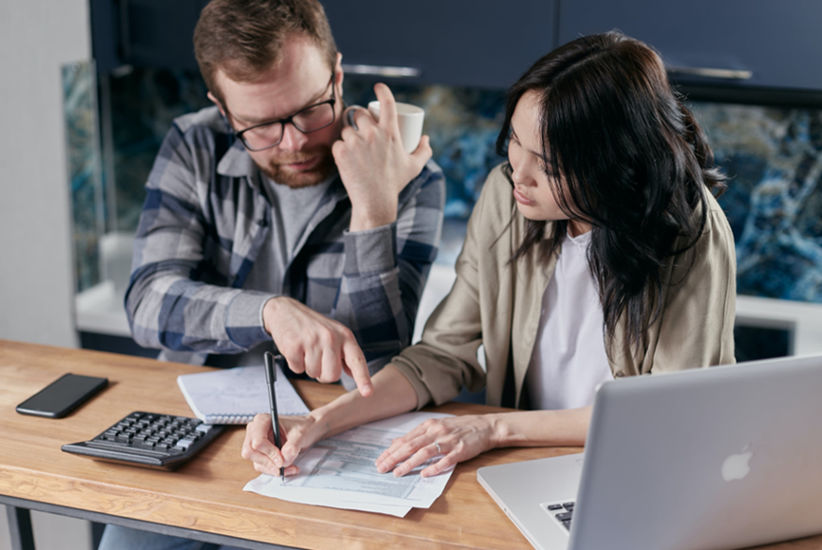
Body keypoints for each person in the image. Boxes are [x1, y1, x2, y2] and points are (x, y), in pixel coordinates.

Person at [242, 31, 737, 480]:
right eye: (515, 145)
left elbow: (666, 412)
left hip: (636, 472)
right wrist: (319, 422)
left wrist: (495, 429)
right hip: (523, 468)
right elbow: (440, 355)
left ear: (614, 165)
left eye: (546, 165)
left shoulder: (690, 231)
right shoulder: (507, 197)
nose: (517, 175)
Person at [123, 0, 445, 396]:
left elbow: (377, 374)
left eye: (310, 109)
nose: (295, 143)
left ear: (338, 77)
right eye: (259, 125)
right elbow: (146, 305)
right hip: (198, 406)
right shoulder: (195, 145)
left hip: (332, 422)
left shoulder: (412, 178)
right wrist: (269, 313)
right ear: (223, 111)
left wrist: (372, 211)